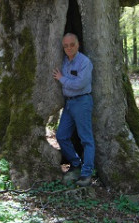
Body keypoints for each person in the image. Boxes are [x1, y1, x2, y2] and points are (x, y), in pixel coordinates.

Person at [53, 33, 95, 187]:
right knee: (62, 135)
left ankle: (86, 173)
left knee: (86, 138)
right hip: (69, 103)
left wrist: (62, 79)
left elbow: (79, 84)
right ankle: (76, 163)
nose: (69, 48)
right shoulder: (64, 62)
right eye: (66, 46)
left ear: (78, 44)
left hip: (82, 101)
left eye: (72, 44)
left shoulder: (84, 62)